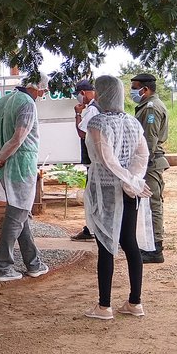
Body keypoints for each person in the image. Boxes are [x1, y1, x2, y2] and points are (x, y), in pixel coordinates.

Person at [83, 76, 155, 320]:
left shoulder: (97, 122)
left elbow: (106, 158)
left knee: (106, 244)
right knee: (129, 242)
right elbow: (141, 155)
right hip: (129, 190)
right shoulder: (133, 122)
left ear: (101, 94)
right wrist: (133, 179)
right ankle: (135, 302)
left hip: (106, 189)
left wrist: (127, 180)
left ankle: (104, 306)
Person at [0, 72, 50, 281]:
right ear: (37, 87)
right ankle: (3, 267)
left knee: (20, 213)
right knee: (16, 215)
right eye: (43, 90)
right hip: (21, 166)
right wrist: (0, 157)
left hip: (5, 168)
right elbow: (19, 137)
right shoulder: (27, 104)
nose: (42, 94)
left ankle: (34, 263)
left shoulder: (2, 101)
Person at [130, 73, 169, 264]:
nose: (133, 92)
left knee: (153, 204)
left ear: (145, 89)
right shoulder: (148, 106)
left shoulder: (151, 109)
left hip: (151, 163)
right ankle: (150, 245)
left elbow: (149, 141)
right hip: (150, 162)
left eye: (135, 87)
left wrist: (140, 165)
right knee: (149, 203)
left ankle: (156, 249)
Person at [71, 79, 99, 242]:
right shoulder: (96, 107)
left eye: (78, 94)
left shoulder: (91, 110)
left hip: (93, 161)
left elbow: (82, 133)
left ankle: (91, 230)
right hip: (95, 160)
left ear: (83, 93)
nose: (79, 99)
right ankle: (91, 228)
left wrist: (77, 114)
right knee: (93, 196)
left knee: (91, 197)